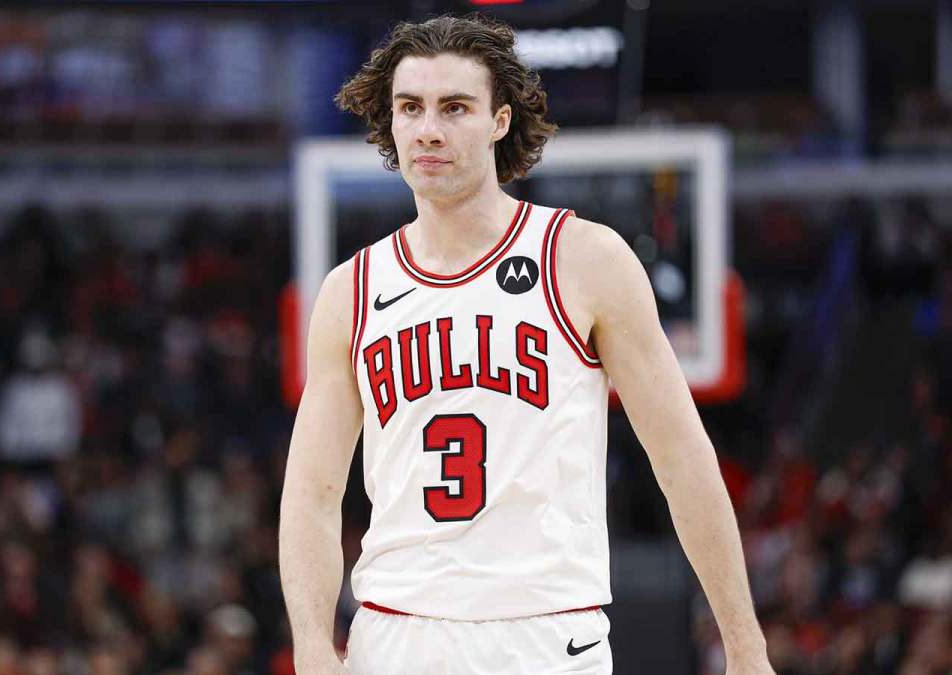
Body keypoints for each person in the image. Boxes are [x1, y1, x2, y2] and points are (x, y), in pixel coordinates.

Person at [278, 14, 774, 675]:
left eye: (455, 107)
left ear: (500, 121)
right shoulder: (352, 290)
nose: (429, 128)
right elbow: (313, 490)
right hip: (396, 636)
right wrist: (312, 644)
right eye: (410, 107)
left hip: (547, 636)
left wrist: (744, 645)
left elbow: (682, 458)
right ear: (390, 123)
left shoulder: (584, 259)